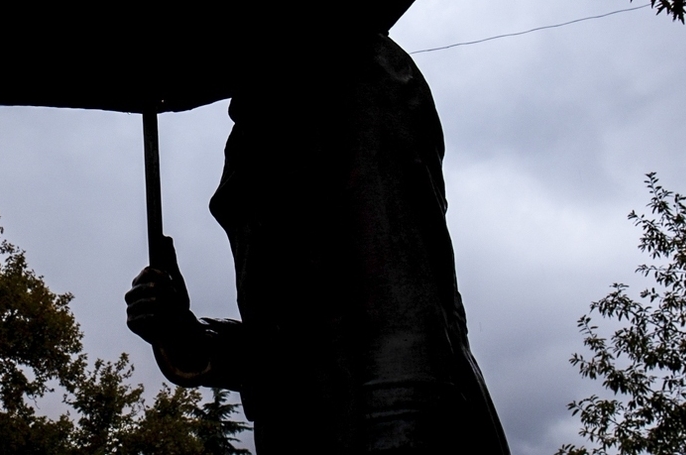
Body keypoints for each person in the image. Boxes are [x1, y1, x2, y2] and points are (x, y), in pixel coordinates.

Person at [125, 33, 509, 454]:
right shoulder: (257, 119)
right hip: (306, 428)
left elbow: (406, 320)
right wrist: (188, 336)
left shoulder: (357, 76)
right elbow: (290, 340)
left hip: (386, 429)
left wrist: (401, 435)